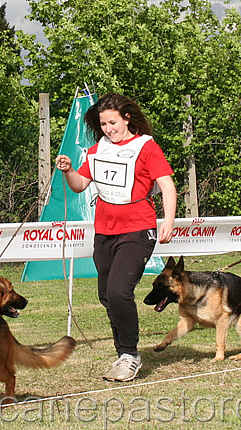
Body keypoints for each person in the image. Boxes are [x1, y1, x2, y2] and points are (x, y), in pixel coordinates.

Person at [56, 93, 176, 382]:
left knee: (120, 291)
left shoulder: (145, 147)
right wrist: (69, 170)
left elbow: (167, 185)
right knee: (107, 295)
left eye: (113, 122)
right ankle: (123, 351)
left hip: (138, 229)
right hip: (104, 231)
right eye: (103, 124)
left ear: (127, 119)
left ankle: (129, 355)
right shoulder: (97, 150)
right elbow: (79, 186)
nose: (109, 128)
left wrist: (168, 220)